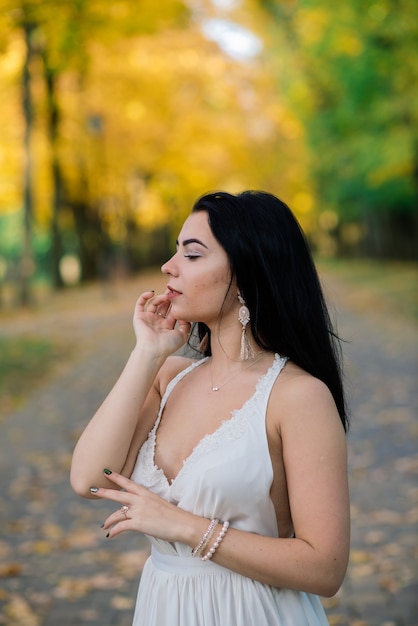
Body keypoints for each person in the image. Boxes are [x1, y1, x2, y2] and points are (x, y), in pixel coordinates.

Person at [71, 190, 350, 626]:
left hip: (252, 611)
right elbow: (89, 480)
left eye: (192, 254)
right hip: (164, 608)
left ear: (245, 275)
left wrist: (183, 526)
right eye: (176, 250)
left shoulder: (298, 396)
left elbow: (325, 568)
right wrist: (148, 353)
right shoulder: (169, 378)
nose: (169, 265)